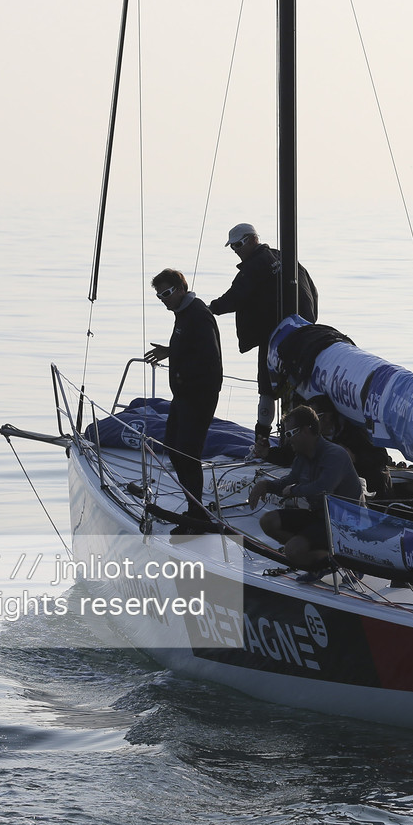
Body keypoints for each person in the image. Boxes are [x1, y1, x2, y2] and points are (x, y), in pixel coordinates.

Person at [208, 223, 318, 450]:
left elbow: (234, 297)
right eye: (232, 247)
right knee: (297, 386)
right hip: (303, 334)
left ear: (252, 240)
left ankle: (262, 443)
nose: (235, 251)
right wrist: (309, 321)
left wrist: (209, 309)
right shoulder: (284, 257)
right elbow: (312, 290)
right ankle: (296, 441)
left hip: (274, 338)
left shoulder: (254, 267)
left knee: (267, 390)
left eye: (238, 245)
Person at [143, 269, 222, 533]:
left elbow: (209, 357)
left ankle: (198, 517)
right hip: (183, 396)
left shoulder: (198, 314)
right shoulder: (183, 313)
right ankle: (194, 510)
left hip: (197, 396)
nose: (163, 299)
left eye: (166, 293)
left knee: (188, 454)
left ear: (180, 289)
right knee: (174, 449)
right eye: (159, 296)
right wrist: (170, 351)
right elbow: (189, 346)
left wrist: (189, 381)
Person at [246, 405, 363, 569]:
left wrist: (294, 490)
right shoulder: (302, 456)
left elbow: (324, 488)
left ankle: (336, 561)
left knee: (292, 550)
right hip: (319, 516)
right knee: (268, 521)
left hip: (344, 524)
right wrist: (265, 485)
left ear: (306, 430)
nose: (287, 440)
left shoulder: (335, 454)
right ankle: (314, 559)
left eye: (289, 434)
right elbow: (288, 481)